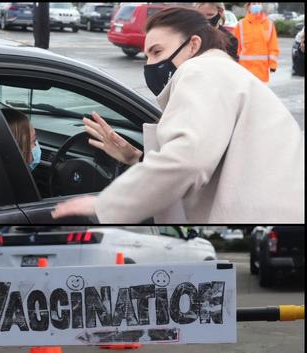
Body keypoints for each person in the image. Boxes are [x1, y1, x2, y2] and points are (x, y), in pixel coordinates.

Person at [51, 7, 303, 223]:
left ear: (193, 45)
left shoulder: (200, 72)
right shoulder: (222, 72)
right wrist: (137, 158)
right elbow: (209, 156)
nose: (150, 64)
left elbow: (188, 160)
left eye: (158, 52)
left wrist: (104, 205)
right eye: (147, 55)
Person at [233, 2, 279, 82]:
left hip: (261, 71)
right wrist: (233, 64)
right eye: (253, 3)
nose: (256, 5)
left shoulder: (269, 24)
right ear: (248, 6)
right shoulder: (241, 25)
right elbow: (235, 47)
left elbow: (273, 46)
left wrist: (273, 64)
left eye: (258, 3)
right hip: (244, 71)